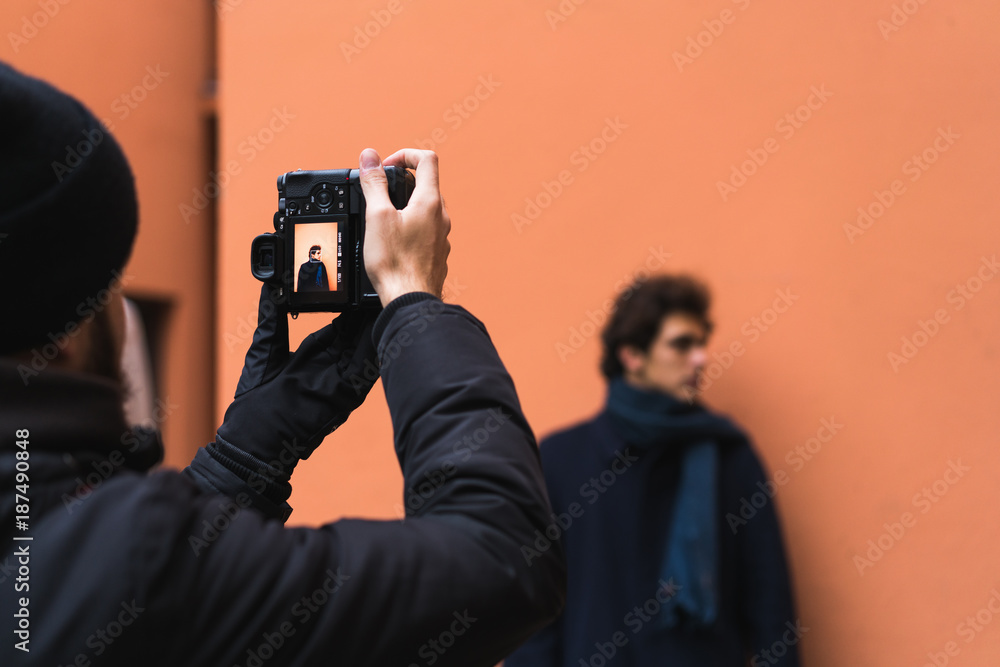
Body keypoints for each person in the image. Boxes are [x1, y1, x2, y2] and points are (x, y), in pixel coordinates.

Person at [0, 62, 564, 666]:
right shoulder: (133, 553)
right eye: (111, 286)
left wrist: (246, 453)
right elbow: (501, 562)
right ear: (66, 335)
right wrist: (412, 299)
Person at [505, 276, 801, 667]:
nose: (700, 359)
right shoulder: (563, 459)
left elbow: (770, 605)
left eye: (701, 344)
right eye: (681, 344)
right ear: (632, 355)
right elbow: (532, 606)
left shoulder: (730, 457)